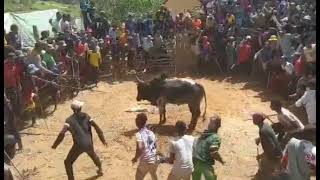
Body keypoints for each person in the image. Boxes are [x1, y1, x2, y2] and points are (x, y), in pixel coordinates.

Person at [51, 100, 107, 180]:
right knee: (92, 154)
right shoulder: (86, 116)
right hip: (89, 143)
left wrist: (55, 145)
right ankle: (100, 169)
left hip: (79, 145)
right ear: (80, 108)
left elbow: (62, 134)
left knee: (67, 162)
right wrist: (102, 139)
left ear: (72, 109)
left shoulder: (69, 120)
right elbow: (96, 127)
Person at [192, 115, 225, 180]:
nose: (209, 124)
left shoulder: (204, 134)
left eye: (211, 123)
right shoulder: (215, 137)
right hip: (205, 164)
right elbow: (214, 152)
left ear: (217, 126)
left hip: (195, 162)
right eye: (210, 122)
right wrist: (222, 160)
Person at [252, 113, 282, 180]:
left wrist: (262, 155)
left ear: (259, 119)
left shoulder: (263, 130)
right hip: (276, 153)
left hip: (274, 156)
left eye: (254, 117)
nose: (253, 119)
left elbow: (272, 146)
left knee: (267, 173)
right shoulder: (265, 125)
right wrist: (259, 138)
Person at [132, 113, 158, 180]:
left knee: (138, 177)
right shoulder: (151, 133)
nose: (135, 120)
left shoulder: (139, 134)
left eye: (136, 119)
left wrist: (135, 158)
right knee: (153, 174)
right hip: (154, 160)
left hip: (145, 161)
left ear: (139, 122)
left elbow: (140, 148)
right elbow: (155, 146)